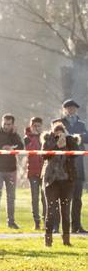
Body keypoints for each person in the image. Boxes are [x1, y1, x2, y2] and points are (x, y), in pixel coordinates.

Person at [52, 99, 88, 233]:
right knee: (58, 198)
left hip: (77, 166)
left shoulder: (81, 124)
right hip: (61, 166)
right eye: (69, 108)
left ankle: (76, 226)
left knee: (77, 199)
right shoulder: (57, 122)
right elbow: (52, 138)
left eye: (73, 108)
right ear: (64, 109)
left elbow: (87, 137)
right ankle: (56, 226)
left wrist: (77, 136)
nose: (71, 110)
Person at [41, 123, 80, 247]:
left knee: (65, 211)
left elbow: (76, 153)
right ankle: (48, 240)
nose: (58, 134)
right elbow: (44, 155)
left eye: (61, 132)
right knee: (51, 210)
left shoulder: (70, 141)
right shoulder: (48, 140)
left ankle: (66, 240)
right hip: (51, 181)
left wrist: (68, 139)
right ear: (52, 132)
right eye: (56, 132)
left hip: (67, 181)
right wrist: (56, 146)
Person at [0, 114, 24, 229]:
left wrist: (13, 137)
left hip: (11, 169)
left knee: (11, 197)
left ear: (13, 124)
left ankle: (11, 222)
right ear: (1, 122)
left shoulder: (14, 135)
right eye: (5, 124)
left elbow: (21, 148)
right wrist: (1, 149)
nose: (6, 126)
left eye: (9, 124)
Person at [24, 117, 46, 230]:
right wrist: (33, 137)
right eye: (34, 126)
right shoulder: (27, 138)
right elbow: (29, 149)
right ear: (31, 126)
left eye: (39, 126)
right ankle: (36, 222)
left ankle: (46, 221)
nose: (37, 128)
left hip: (44, 172)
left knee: (45, 198)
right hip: (32, 172)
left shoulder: (45, 137)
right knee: (35, 198)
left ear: (42, 126)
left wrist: (40, 137)